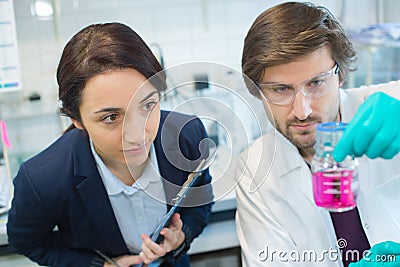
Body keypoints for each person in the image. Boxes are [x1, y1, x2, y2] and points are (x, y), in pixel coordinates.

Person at [7, 22, 213, 267]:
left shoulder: (186, 135)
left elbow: (201, 199)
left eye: (148, 105)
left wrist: (180, 238)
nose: (136, 135)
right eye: (111, 117)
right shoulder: (42, 180)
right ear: (77, 119)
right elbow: (27, 242)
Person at [235, 2, 400, 267]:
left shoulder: (389, 106)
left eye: (316, 83)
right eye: (280, 89)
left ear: (341, 74)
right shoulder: (255, 170)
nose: (302, 111)